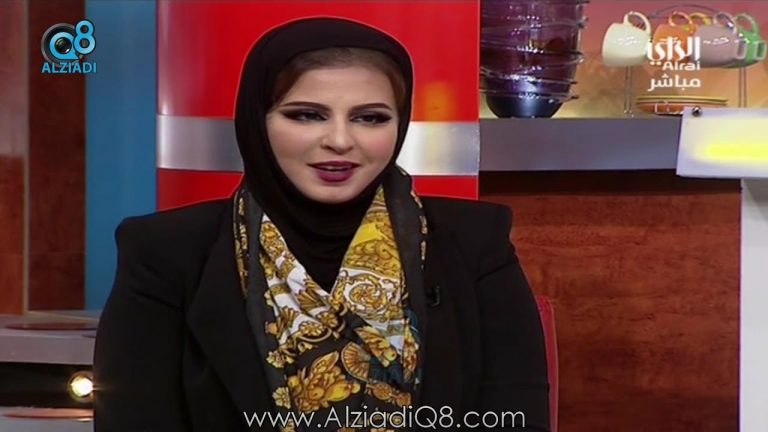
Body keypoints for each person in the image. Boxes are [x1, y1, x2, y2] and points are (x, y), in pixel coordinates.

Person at [93, 17, 550, 432]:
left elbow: (515, 416)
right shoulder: (165, 252)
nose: (339, 140)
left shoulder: (475, 241)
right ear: (258, 120)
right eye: (306, 115)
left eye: (370, 118)